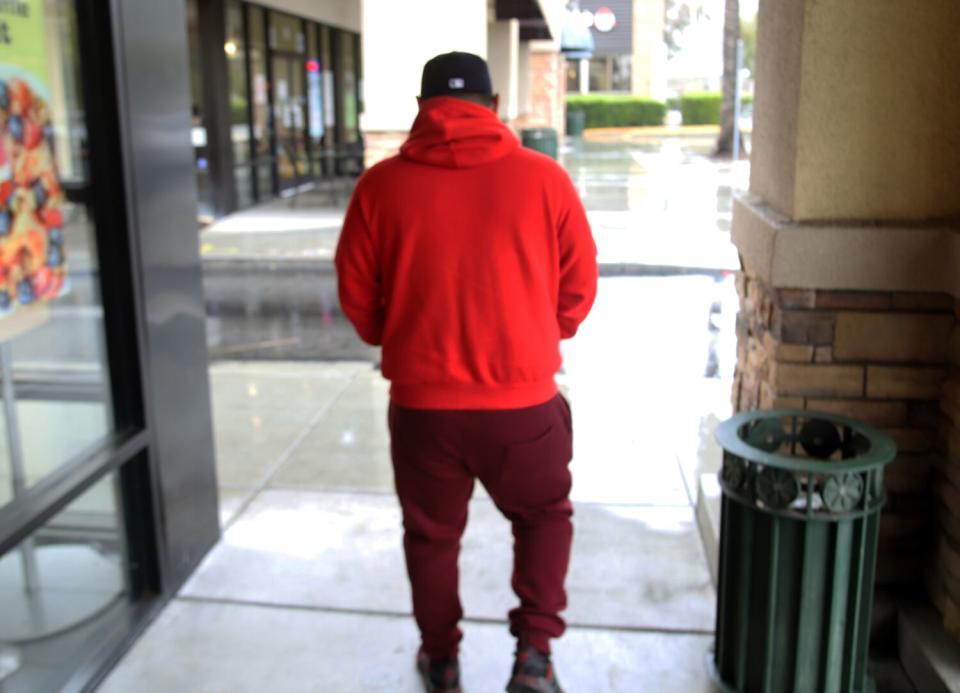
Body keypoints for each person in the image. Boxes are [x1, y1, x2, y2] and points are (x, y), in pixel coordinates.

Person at [335, 52, 597, 693]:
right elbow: (580, 286)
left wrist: (397, 338)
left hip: (424, 410)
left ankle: (443, 660)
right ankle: (533, 658)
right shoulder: (546, 180)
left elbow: (356, 294)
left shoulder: (380, 187)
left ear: (421, 109)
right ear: (495, 105)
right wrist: (538, 336)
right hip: (523, 406)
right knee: (542, 519)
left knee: (430, 538)